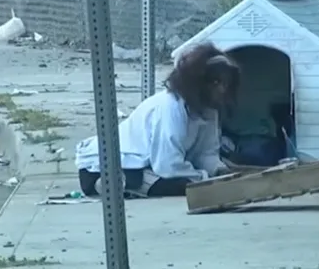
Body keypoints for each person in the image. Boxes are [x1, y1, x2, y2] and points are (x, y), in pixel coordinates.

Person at [73, 42, 241, 198]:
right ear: (198, 83)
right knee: (179, 187)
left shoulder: (209, 110)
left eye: (226, 83)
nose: (222, 89)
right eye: (215, 82)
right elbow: (168, 166)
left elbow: (206, 153)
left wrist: (220, 170)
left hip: (152, 165)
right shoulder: (170, 107)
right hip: (108, 164)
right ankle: (106, 184)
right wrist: (205, 178)